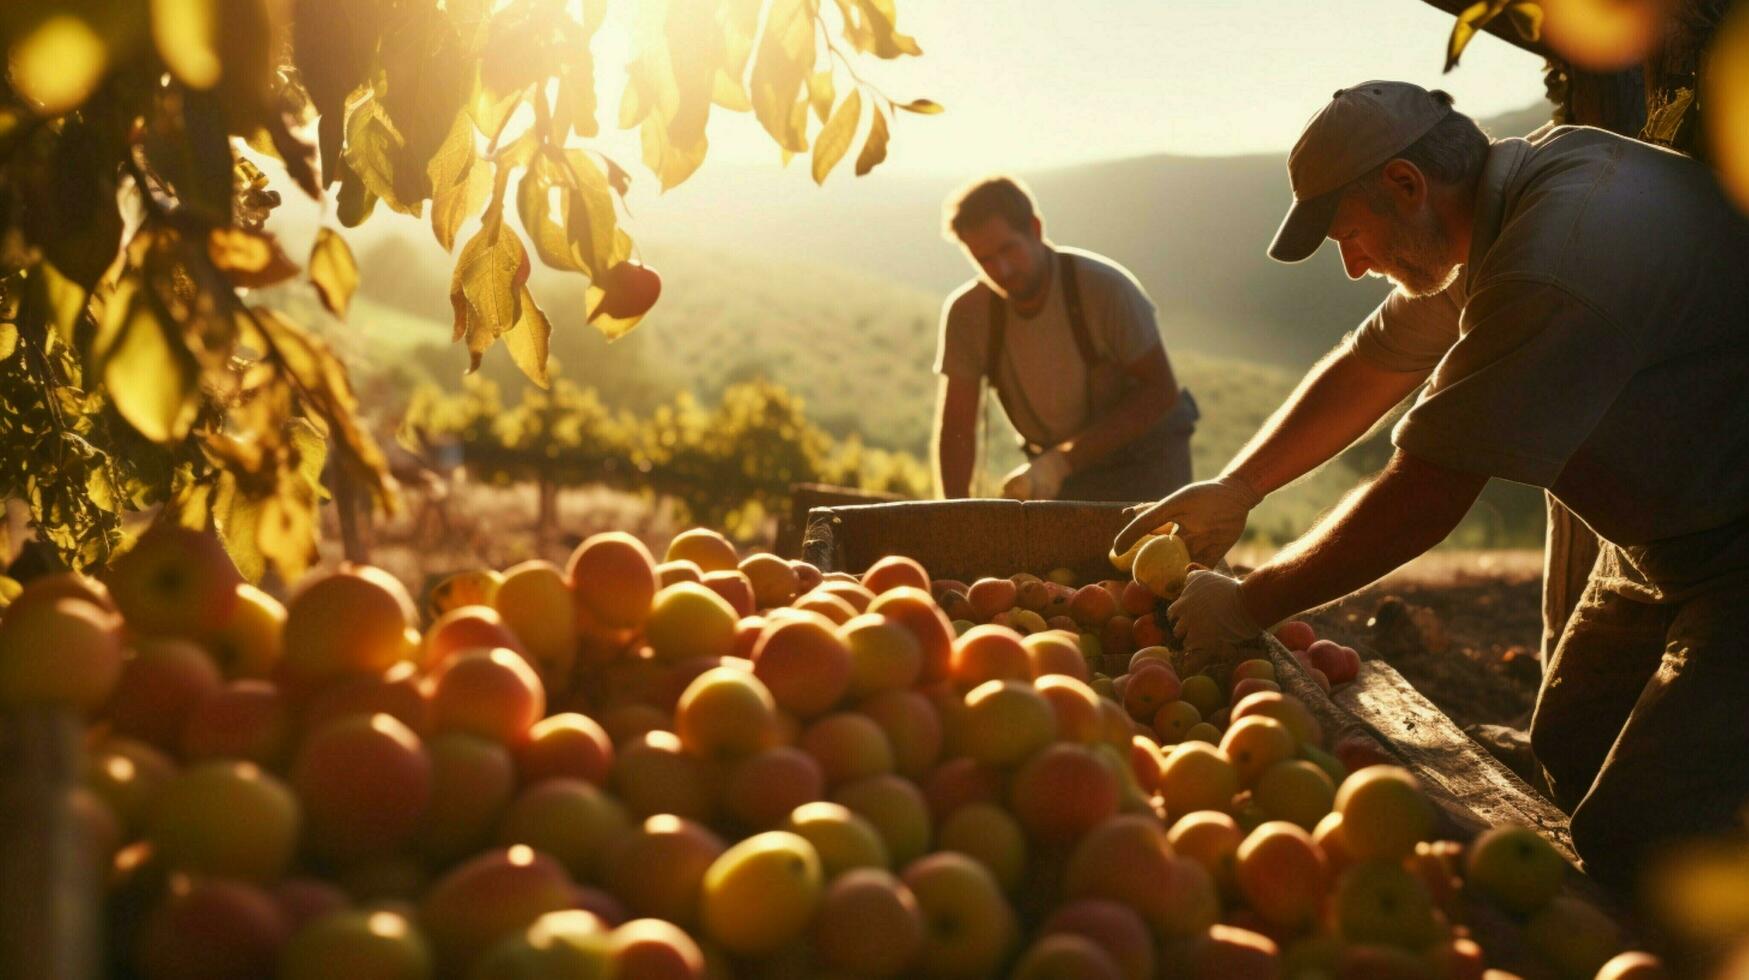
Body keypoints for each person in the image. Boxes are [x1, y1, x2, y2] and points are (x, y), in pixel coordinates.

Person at [1113, 81, 1749, 889]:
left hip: (1736, 545)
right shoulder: (1493, 211)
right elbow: (1372, 361)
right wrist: (1239, 488)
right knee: (1570, 741)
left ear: (1405, 186)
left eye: (1350, 235)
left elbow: (1428, 492)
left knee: (1639, 828)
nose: (1352, 266)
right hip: (1666, 534)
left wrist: (1248, 605)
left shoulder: (1555, 258)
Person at [932, 176, 1198, 502]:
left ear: (1035, 228)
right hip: (1059, 470)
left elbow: (1160, 391)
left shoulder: (1106, 289)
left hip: (1146, 460)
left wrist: (1061, 463)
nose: (1001, 269)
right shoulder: (968, 314)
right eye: (984, 259)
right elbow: (957, 428)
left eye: (1008, 249)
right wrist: (952, 516)